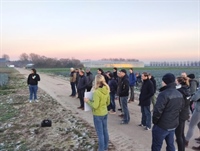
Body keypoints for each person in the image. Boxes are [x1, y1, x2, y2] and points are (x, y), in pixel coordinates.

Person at [151, 73, 183, 151]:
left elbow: (157, 111)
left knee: (156, 145)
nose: (161, 82)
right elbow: (180, 109)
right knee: (170, 144)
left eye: (163, 81)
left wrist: (155, 122)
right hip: (173, 124)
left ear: (165, 82)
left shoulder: (163, 94)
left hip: (162, 125)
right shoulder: (179, 94)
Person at [84, 74, 110, 151]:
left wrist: (88, 101)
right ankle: (105, 148)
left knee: (100, 133)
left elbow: (95, 106)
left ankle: (101, 149)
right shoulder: (107, 89)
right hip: (105, 113)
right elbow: (108, 103)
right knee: (105, 131)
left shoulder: (97, 92)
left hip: (98, 114)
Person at [175, 76, 191, 151]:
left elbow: (179, 104)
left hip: (180, 115)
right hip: (185, 114)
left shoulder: (180, 91)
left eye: (176, 80)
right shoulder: (187, 90)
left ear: (178, 82)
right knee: (181, 134)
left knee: (178, 135)